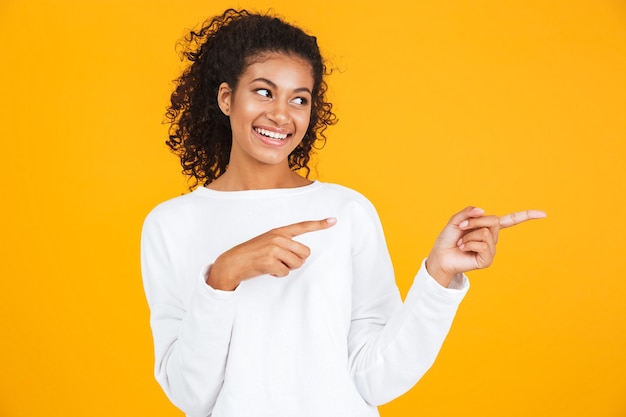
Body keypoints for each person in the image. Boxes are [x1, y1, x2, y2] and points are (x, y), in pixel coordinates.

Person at [141, 9, 545, 417]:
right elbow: (189, 394)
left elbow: (375, 378)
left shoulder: (345, 211)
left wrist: (438, 275)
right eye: (264, 92)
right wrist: (223, 275)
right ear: (227, 98)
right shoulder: (171, 225)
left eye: (299, 98)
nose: (282, 114)